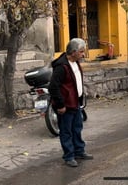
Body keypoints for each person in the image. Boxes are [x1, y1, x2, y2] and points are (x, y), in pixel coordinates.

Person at [49, 38, 93, 167]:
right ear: (73, 52)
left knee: (77, 129)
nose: (83, 54)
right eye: (81, 52)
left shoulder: (75, 62)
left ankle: (79, 151)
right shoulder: (62, 67)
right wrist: (60, 105)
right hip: (66, 105)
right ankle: (69, 156)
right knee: (66, 131)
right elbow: (53, 87)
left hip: (76, 103)